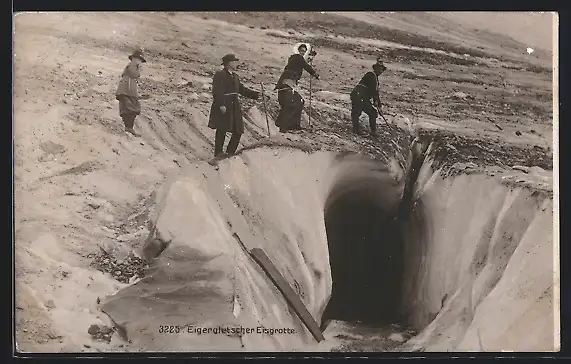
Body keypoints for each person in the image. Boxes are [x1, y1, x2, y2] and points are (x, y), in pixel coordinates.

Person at [208, 53, 261, 158]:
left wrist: (257, 94)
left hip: (234, 105)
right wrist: (221, 104)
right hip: (224, 104)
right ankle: (218, 153)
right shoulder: (220, 75)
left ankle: (230, 153)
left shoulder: (235, 76)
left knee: (238, 129)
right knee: (222, 128)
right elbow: (217, 91)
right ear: (228, 63)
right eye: (234, 62)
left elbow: (241, 89)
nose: (237, 63)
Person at [274, 43, 319, 133]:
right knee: (293, 103)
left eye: (304, 51)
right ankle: (286, 126)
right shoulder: (297, 57)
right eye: (302, 51)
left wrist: (310, 59)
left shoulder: (294, 59)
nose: (303, 52)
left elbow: (303, 63)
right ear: (298, 50)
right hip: (288, 83)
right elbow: (306, 66)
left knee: (297, 102)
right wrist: (314, 74)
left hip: (286, 83)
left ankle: (291, 125)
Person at [350, 59, 387, 137]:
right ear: (375, 68)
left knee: (373, 112)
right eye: (379, 69)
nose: (380, 71)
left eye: (382, 70)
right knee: (356, 112)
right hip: (358, 95)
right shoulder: (371, 75)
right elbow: (374, 92)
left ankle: (373, 131)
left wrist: (378, 105)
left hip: (363, 97)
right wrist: (377, 103)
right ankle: (356, 130)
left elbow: (375, 92)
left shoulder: (375, 78)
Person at [115, 47, 146, 137]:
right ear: (136, 58)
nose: (140, 62)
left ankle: (129, 127)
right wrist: (139, 70)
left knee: (127, 108)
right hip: (127, 89)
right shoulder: (134, 64)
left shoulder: (132, 64)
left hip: (126, 89)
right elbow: (134, 74)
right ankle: (129, 128)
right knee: (132, 107)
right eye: (140, 60)